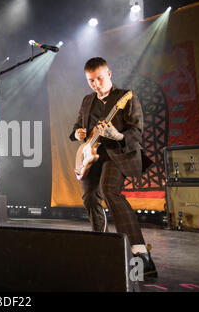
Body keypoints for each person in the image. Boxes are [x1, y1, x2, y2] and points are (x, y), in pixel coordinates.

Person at [69, 57, 157, 277]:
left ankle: (141, 254)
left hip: (118, 154)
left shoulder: (125, 97)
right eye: (91, 81)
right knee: (89, 197)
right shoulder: (87, 100)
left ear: (109, 74)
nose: (96, 84)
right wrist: (77, 133)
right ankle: (100, 242)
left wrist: (117, 135)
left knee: (109, 191)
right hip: (92, 156)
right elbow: (78, 127)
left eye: (99, 78)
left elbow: (136, 132)